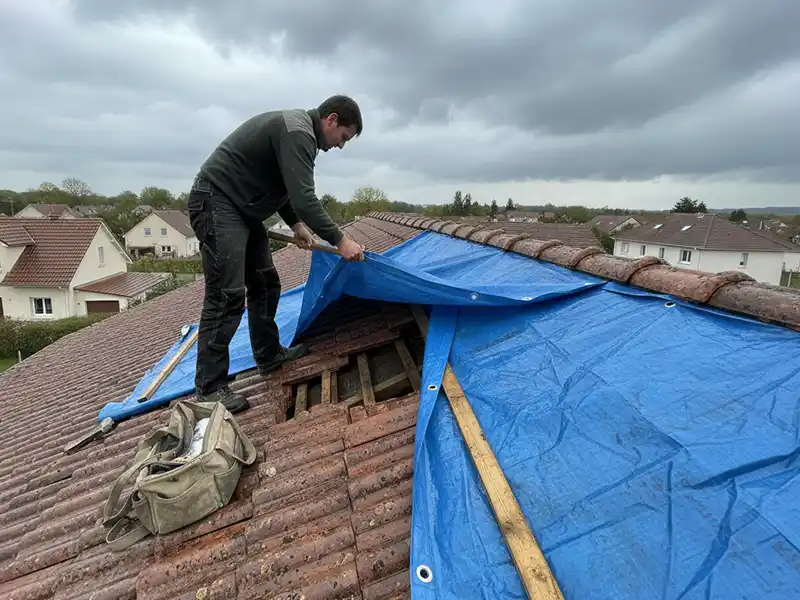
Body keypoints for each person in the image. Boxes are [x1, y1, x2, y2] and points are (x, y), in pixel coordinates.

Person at [186, 95, 366, 414]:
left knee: (266, 283)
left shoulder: (300, 133)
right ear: (332, 119)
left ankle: (269, 355)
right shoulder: (299, 133)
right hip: (216, 200)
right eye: (344, 137)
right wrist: (341, 240)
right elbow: (305, 196)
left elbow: (283, 188)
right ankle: (210, 388)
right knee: (226, 293)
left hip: (242, 209)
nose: (341, 145)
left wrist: (296, 224)